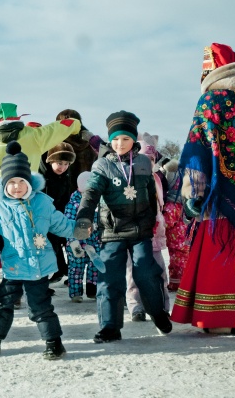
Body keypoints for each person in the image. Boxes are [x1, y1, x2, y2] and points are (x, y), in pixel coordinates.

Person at [170, 43, 235, 335]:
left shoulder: (210, 100)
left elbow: (197, 151)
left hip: (218, 197)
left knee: (218, 258)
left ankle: (213, 317)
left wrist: (194, 193)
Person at [0, 141, 76, 360]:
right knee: (3, 303)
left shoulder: (42, 203)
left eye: (21, 181)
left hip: (38, 267)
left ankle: (54, 342)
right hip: (13, 266)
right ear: (4, 185)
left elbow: (60, 224)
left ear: (30, 182)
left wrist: (79, 232)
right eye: (11, 182)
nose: (17, 186)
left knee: (40, 308)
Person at [0, 103, 82, 287]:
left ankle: (14, 284)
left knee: (9, 246)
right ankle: (34, 283)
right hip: (31, 201)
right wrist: (74, 123)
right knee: (35, 243)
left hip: (0, 204)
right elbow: (61, 127)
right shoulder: (34, 135)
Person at [74, 110, 172, 343]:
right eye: (116, 139)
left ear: (133, 140)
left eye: (126, 139)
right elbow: (91, 193)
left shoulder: (142, 163)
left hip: (140, 231)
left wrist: (152, 220)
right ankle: (110, 326)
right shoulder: (102, 166)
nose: (120, 143)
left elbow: (150, 194)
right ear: (110, 140)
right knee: (110, 277)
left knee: (147, 273)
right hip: (112, 232)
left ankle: (158, 314)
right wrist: (84, 217)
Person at [125, 133, 170, 321]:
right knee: (134, 274)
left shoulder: (158, 179)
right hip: (135, 234)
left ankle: (162, 307)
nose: (148, 163)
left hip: (155, 235)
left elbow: (162, 204)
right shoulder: (129, 178)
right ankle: (136, 307)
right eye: (144, 159)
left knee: (159, 272)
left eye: (152, 159)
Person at [40, 142, 76, 283]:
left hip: (57, 218)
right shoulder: (41, 177)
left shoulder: (66, 176)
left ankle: (59, 271)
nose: (63, 167)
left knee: (55, 246)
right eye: (59, 163)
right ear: (50, 161)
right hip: (41, 219)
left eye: (66, 164)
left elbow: (66, 197)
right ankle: (42, 283)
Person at [64, 171, 100, 302]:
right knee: (76, 268)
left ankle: (92, 289)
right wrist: (73, 241)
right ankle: (75, 293)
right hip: (76, 243)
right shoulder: (73, 204)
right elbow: (68, 224)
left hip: (94, 241)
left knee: (94, 266)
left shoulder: (97, 202)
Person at [157, 156, 190, 291]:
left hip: (176, 240)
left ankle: (177, 284)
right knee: (185, 261)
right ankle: (184, 283)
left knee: (177, 262)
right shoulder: (185, 203)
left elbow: (168, 222)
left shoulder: (172, 204)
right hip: (186, 238)